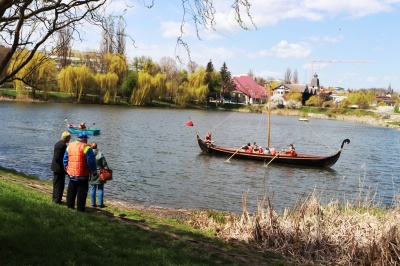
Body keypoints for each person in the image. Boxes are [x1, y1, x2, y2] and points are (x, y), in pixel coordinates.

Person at [63, 132, 97, 212]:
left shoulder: (70, 146)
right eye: (86, 139)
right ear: (84, 138)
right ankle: (80, 209)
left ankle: (69, 206)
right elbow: (91, 162)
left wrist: (66, 169)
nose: (87, 140)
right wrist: (94, 171)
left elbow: (65, 159)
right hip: (83, 175)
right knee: (82, 193)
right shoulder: (87, 148)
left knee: (71, 190)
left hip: (71, 174)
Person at [50, 131, 71, 204]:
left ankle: (55, 198)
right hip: (59, 168)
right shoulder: (62, 145)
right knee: (59, 185)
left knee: (56, 184)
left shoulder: (58, 143)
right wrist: (64, 166)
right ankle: (57, 200)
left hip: (55, 167)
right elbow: (58, 157)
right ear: (67, 138)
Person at [89, 142, 109, 208]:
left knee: (92, 187)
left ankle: (93, 203)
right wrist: (108, 171)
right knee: (100, 188)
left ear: (91, 147)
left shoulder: (89, 154)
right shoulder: (100, 154)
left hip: (92, 172)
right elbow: (104, 164)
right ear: (96, 147)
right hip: (100, 172)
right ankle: (100, 204)